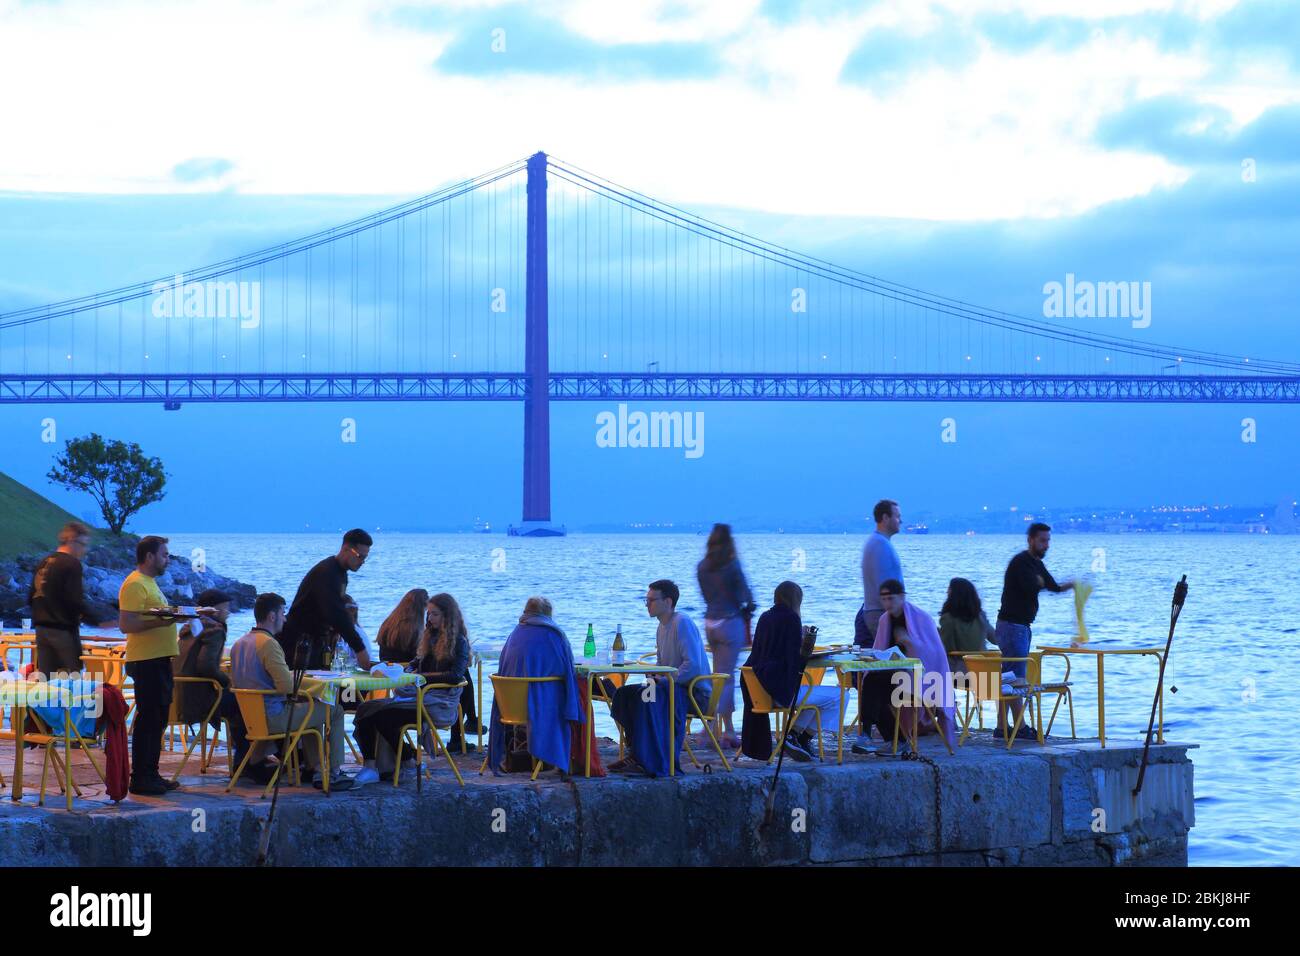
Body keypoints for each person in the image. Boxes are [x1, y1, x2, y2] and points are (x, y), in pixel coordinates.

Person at [230, 592, 354, 790]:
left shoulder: (239, 643)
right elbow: (286, 687)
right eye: (282, 613)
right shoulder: (269, 644)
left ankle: (315, 768)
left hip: (252, 717)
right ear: (272, 616)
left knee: (309, 709)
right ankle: (334, 772)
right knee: (335, 710)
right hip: (274, 717)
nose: (285, 618)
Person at [352, 592, 471, 785]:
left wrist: (421, 678)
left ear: (447, 617)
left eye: (435, 614)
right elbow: (416, 662)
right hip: (417, 697)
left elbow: (457, 675)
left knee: (381, 717)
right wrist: (405, 670)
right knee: (366, 709)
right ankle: (372, 766)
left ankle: (406, 760)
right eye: (429, 614)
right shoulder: (429, 638)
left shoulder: (459, 642)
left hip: (437, 702)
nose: (429, 618)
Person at [608, 580, 710, 776]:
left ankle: (650, 760)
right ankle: (638, 754)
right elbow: (663, 664)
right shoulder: (661, 627)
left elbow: (693, 666)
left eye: (651, 600)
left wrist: (662, 679)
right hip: (671, 687)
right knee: (627, 695)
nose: (647, 604)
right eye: (646, 601)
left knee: (647, 699)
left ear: (668, 601)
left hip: (693, 692)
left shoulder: (682, 623)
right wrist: (654, 674)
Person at [739, 581, 841, 762]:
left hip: (760, 690)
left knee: (817, 701)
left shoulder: (764, 617)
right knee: (839, 696)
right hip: (781, 691)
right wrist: (805, 644)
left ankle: (795, 738)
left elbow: (774, 650)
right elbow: (795, 663)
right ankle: (798, 736)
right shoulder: (792, 619)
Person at [855, 579, 957, 755]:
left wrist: (909, 642)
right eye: (884, 599)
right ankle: (877, 736)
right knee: (871, 682)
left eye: (891, 598)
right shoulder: (884, 620)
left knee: (876, 687)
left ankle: (888, 738)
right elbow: (880, 650)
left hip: (924, 679)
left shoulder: (921, 618)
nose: (887, 603)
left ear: (902, 597)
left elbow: (934, 654)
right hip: (894, 676)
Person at [485, 596, 584, 776]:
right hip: (537, 708)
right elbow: (567, 670)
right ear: (548, 614)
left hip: (509, 709)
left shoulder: (514, 633)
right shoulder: (554, 635)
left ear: (526, 612)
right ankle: (569, 761)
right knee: (576, 697)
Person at [995, 523, 1075, 738]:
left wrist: (1074, 585)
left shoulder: (1036, 564)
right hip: (1012, 627)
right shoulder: (1021, 563)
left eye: (1048, 540)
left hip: (1019, 627)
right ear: (1030, 540)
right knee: (1014, 679)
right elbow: (1032, 585)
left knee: (1009, 677)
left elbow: (1052, 586)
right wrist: (1039, 582)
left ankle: (1002, 727)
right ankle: (1020, 727)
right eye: (1042, 540)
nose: (1046, 545)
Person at [117, 535, 183, 796]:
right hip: (146, 660)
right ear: (149, 557)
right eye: (164, 554)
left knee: (158, 718)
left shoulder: (149, 583)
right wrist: (163, 622)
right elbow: (126, 624)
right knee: (149, 718)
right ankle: (141, 777)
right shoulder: (135, 584)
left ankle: (151, 773)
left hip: (158, 658)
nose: (167, 559)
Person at [173, 588, 250, 773]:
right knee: (245, 703)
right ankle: (246, 762)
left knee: (236, 701)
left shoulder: (190, 627)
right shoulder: (214, 630)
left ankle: (244, 760)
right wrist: (227, 681)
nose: (229, 614)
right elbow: (206, 666)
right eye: (226, 609)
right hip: (198, 699)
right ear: (214, 610)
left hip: (177, 694)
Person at [278, 529, 374, 671]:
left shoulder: (341, 574)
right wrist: (360, 649)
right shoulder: (327, 573)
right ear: (346, 549)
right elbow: (336, 613)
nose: (362, 562)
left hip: (316, 641)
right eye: (360, 556)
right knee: (304, 689)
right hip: (299, 643)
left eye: (365, 558)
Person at [696, 523, 754, 749]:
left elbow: (705, 596)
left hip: (710, 621)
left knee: (718, 676)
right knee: (726, 678)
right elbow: (745, 595)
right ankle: (712, 727)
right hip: (730, 622)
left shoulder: (702, 567)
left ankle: (725, 729)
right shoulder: (732, 566)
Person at [28, 521, 107, 677]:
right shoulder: (71, 564)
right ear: (71, 540)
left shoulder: (44, 562)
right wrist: (97, 621)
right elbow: (74, 600)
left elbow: (31, 597)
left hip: (41, 630)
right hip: (62, 631)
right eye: (83, 544)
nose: (84, 550)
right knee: (72, 681)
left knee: (47, 682)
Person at [855, 499, 903, 645]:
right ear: (885, 518)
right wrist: (897, 614)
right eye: (897, 516)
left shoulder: (878, 543)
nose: (900, 521)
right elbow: (884, 585)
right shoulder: (880, 545)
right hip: (881, 613)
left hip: (877, 611)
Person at [938, 577, 996, 670]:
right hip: (982, 668)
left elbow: (945, 647)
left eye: (949, 590)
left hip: (959, 672)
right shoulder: (981, 616)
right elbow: (995, 639)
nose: (946, 592)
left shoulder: (948, 618)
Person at [376, 589, 428, 662]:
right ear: (424, 606)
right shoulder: (414, 629)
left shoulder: (389, 622)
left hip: (386, 667)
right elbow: (417, 658)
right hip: (405, 669)